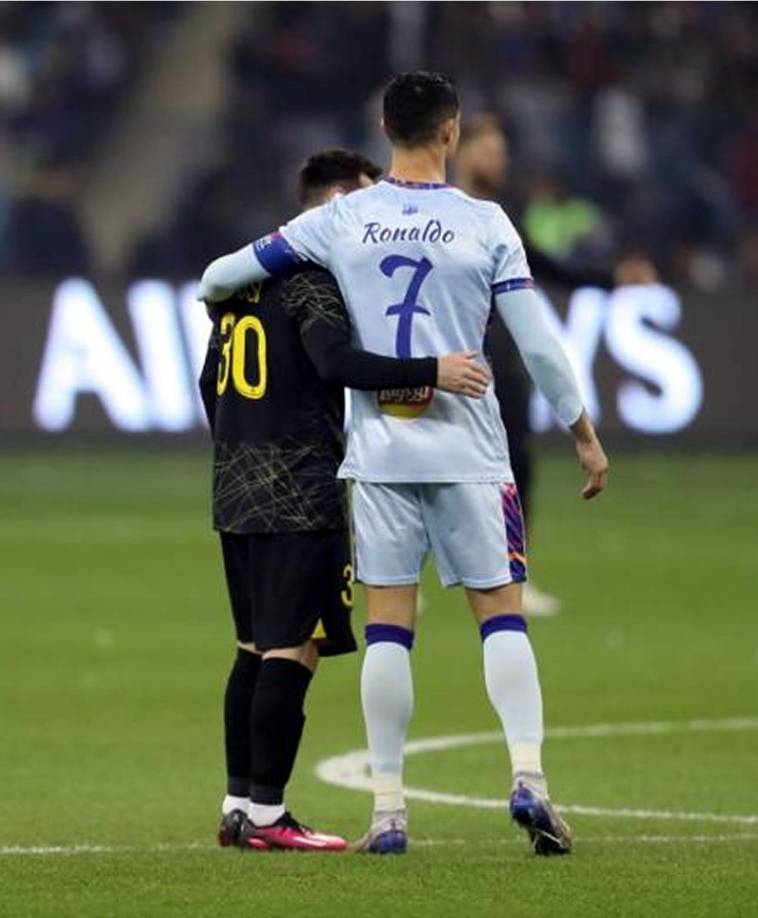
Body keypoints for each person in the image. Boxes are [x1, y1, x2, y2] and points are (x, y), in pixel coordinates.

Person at [198, 71, 609, 857]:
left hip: (380, 457)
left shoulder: (341, 219)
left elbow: (222, 277)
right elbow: (539, 346)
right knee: (501, 615)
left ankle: (387, 810)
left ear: (385, 130)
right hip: (471, 453)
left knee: (390, 630)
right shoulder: (484, 222)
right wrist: (582, 432)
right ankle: (530, 780)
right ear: (451, 133)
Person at [199, 148, 489, 853]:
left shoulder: (241, 284)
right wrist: (433, 371)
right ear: (334, 206)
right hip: (301, 492)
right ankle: (269, 814)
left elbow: (212, 383)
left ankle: (238, 804)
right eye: (362, 205)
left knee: (250, 648)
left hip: (235, 487)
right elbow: (333, 362)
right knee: (290, 651)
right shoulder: (314, 280)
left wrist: (246, 443)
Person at [456, 114, 655, 616]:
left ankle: (510, 571)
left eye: (503, 152)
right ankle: (411, 577)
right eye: (491, 151)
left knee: (514, 461)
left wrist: (611, 278)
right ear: (461, 150)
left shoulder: (500, 214)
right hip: (444, 355)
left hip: (498, 353)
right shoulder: (442, 209)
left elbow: (545, 265)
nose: (499, 161)